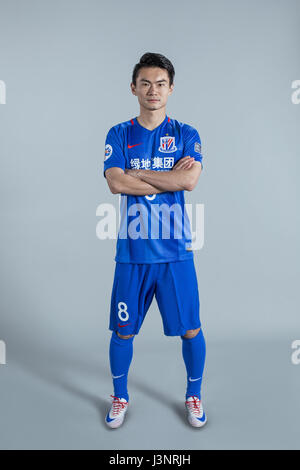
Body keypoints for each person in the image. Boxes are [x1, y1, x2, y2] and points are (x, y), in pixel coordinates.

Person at [103, 52, 206, 429]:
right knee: (122, 331)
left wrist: (140, 174)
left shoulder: (186, 134)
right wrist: (164, 178)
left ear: (171, 89)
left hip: (175, 252)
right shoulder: (119, 133)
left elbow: (189, 181)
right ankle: (119, 397)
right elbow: (115, 182)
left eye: (160, 84)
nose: (153, 90)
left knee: (191, 328)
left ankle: (194, 394)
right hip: (132, 252)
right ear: (134, 88)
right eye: (145, 83)